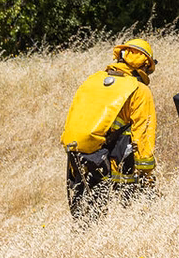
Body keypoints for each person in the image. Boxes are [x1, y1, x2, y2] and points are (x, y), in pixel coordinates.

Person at [61, 38, 158, 219]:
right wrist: (147, 176)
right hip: (111, 161)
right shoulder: (139, 90)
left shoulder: (93, 80)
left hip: (76, 152)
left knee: (84, 216)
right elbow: (143, 135)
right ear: (144, 65)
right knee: (122, 216)